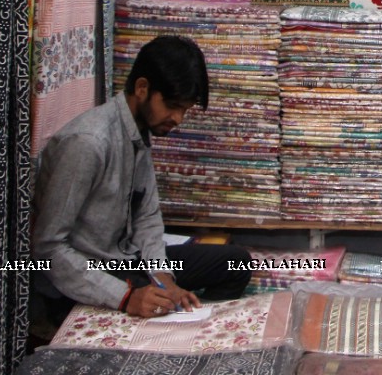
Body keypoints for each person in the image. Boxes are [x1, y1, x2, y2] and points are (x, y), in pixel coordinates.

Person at [32, 35, 252, 332]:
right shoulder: (89, 142)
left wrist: (163, 278)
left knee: (236, 262)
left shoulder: (139, 131)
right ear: (142, 88)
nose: (177, 119)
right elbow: (49, 248)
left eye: (184, 110)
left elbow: (146, 216)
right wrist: (126, 297)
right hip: (87, 272)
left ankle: (189, 331)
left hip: (125, 260)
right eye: (173, 106)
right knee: (148, 309)